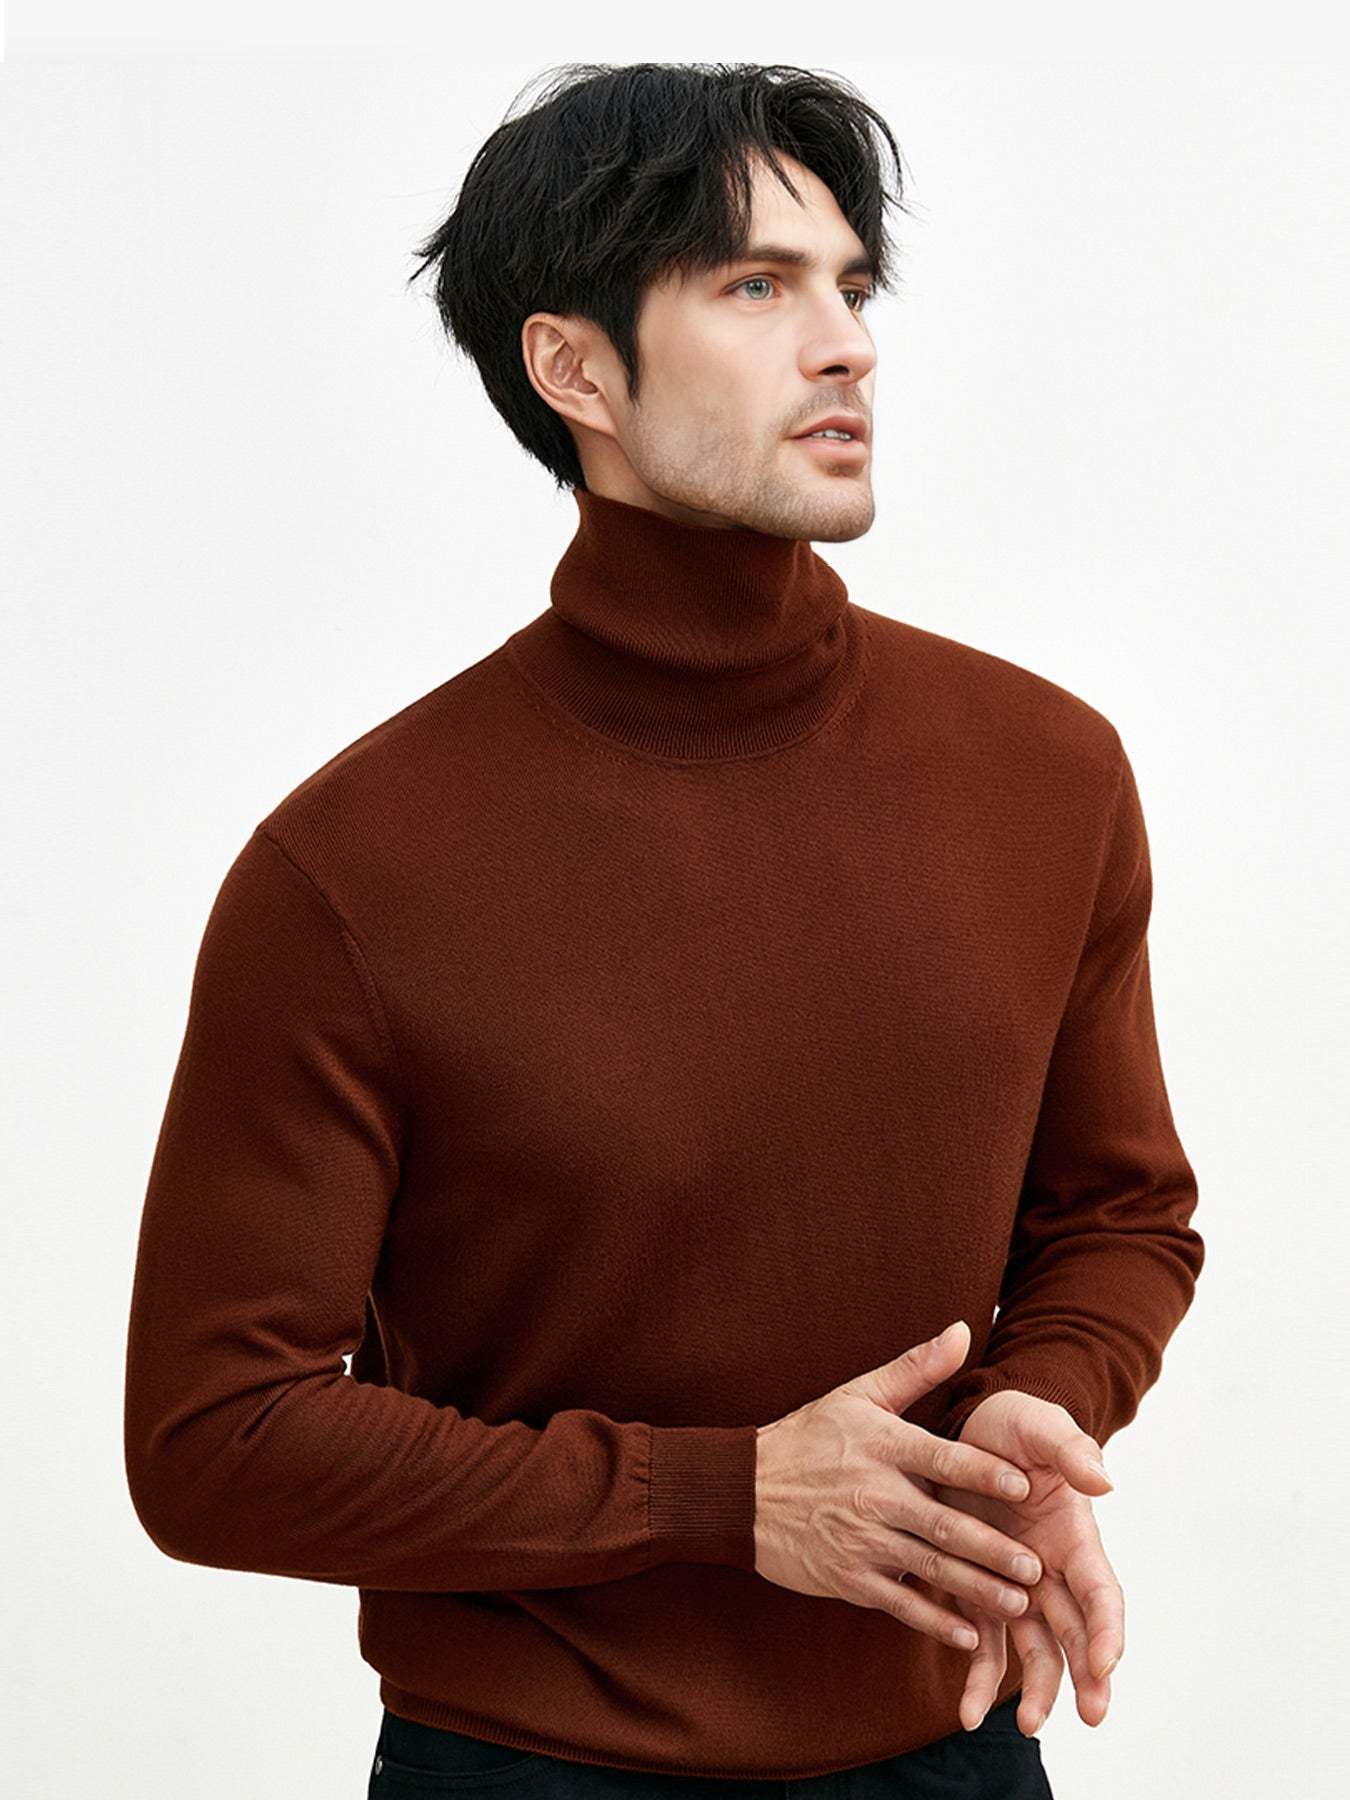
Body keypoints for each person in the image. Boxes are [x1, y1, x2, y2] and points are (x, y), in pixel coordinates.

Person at [123, 61, 1204, 1798]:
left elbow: (1119, 1211)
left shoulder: (1042, 771)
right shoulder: (351, 871)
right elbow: (216, 1441)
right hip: (528, 1769)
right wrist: (722, 1498)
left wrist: (1039, 1407)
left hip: (954, 1751)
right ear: (574, 370)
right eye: (756, 287)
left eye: (852, 286)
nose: (844, 345)